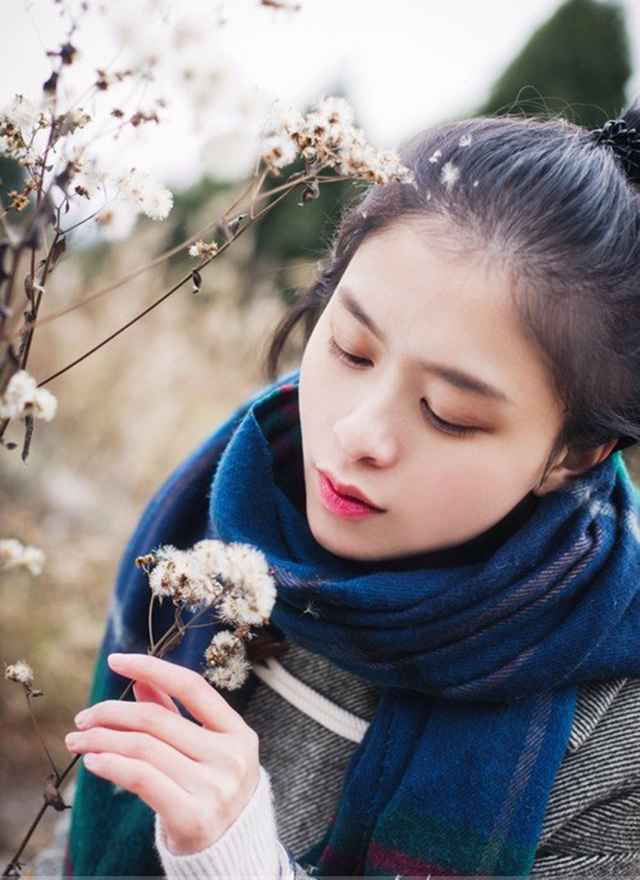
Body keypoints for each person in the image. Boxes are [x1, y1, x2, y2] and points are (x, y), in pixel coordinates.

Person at [38, 102, 640, 879]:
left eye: (448, 414)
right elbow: (76, 839)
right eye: (352, 350)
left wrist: (239, 862)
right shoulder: (216, 513)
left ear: (576, 453)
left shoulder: (616, 733)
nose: (357, 433)